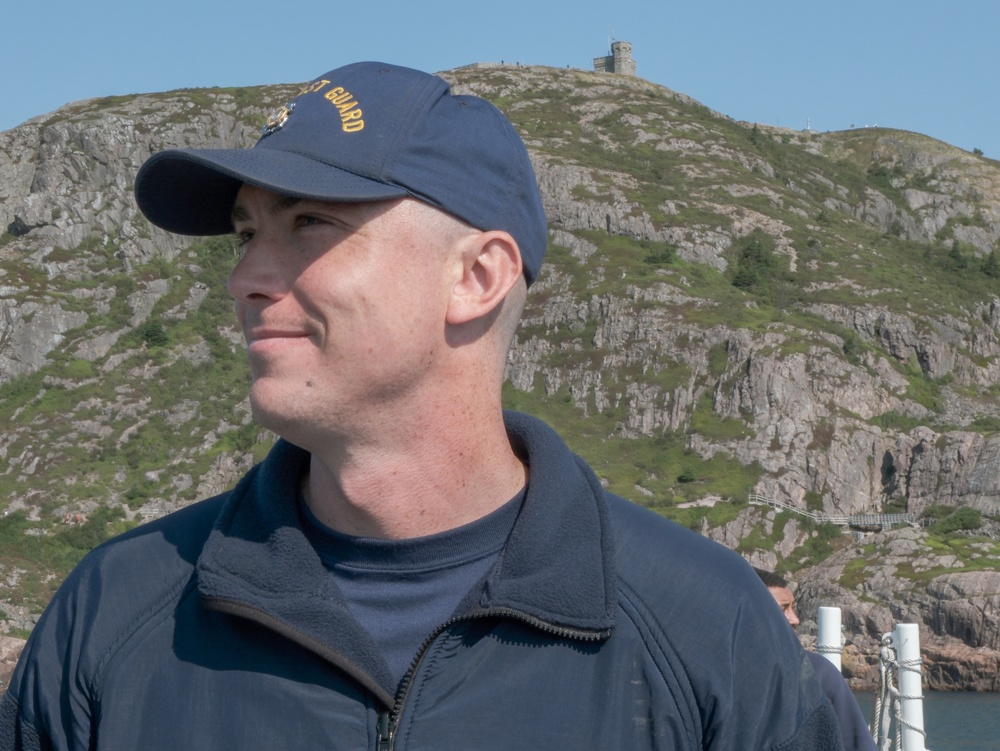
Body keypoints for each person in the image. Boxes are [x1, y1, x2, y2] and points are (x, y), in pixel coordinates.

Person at [1, 61, 843, 750]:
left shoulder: (707, 628)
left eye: (311, 223)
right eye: (246, 231)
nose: (246, 277)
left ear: (477, 277)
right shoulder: (113, 612)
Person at [754, 568, 878, 751]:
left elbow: (855, 744)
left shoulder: (818, 673)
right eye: (783, 609)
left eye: (793, 608)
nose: (795, 619)